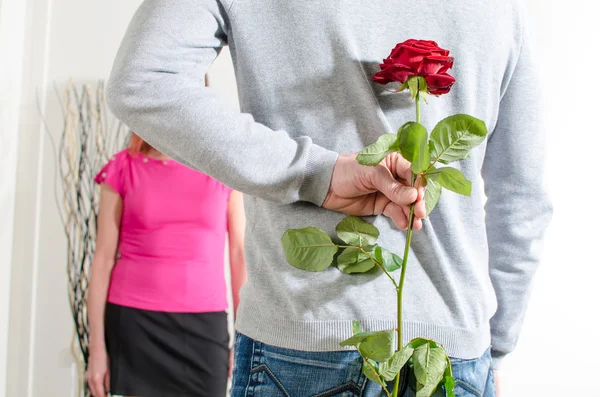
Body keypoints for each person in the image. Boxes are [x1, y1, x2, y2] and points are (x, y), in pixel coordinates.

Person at [105, 1, 552, 396]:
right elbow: (523, 198)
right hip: (453, 353)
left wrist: (321, 174)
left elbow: (144, 80)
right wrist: (492, 348)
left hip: (301, 340)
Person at [85, 132, 247, 397]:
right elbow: (102, 259)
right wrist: (97, 350)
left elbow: (239, 254)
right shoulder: (124, 166)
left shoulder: (222, 170)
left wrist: (243, 340)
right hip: (134, 326)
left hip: (204, 328)